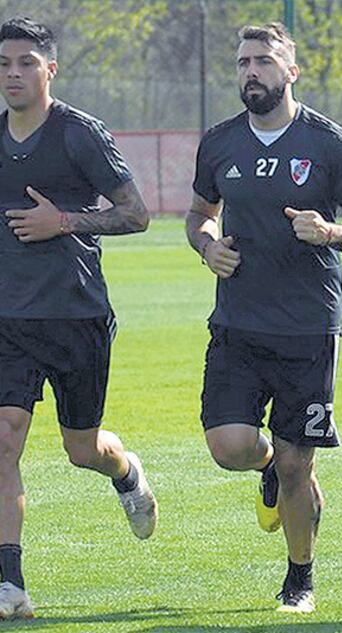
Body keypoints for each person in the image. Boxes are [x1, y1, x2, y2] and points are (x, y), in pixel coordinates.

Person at [186, 22, 342, 614]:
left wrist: (330, 232)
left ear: (290, 72)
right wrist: (207, 245)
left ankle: (299, 578)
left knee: (301, 465)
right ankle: (268, 463)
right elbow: (200, 213)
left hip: (307, 327)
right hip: (238, 324)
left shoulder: (329, 144)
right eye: (244, 62)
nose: (252, 71)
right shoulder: (220, 142)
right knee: (229, 446)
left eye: (264, 62)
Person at [0, 17, 156, 620]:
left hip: (75, 315)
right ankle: (10, 582)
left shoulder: (79, 135)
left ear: (49, 70)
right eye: (5, 63)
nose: (14, 73)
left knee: (82, 447)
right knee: (4, 440)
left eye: (26, 63)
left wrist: (62, 222)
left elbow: (136, 215)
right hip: (8, 318)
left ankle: (125, 471)